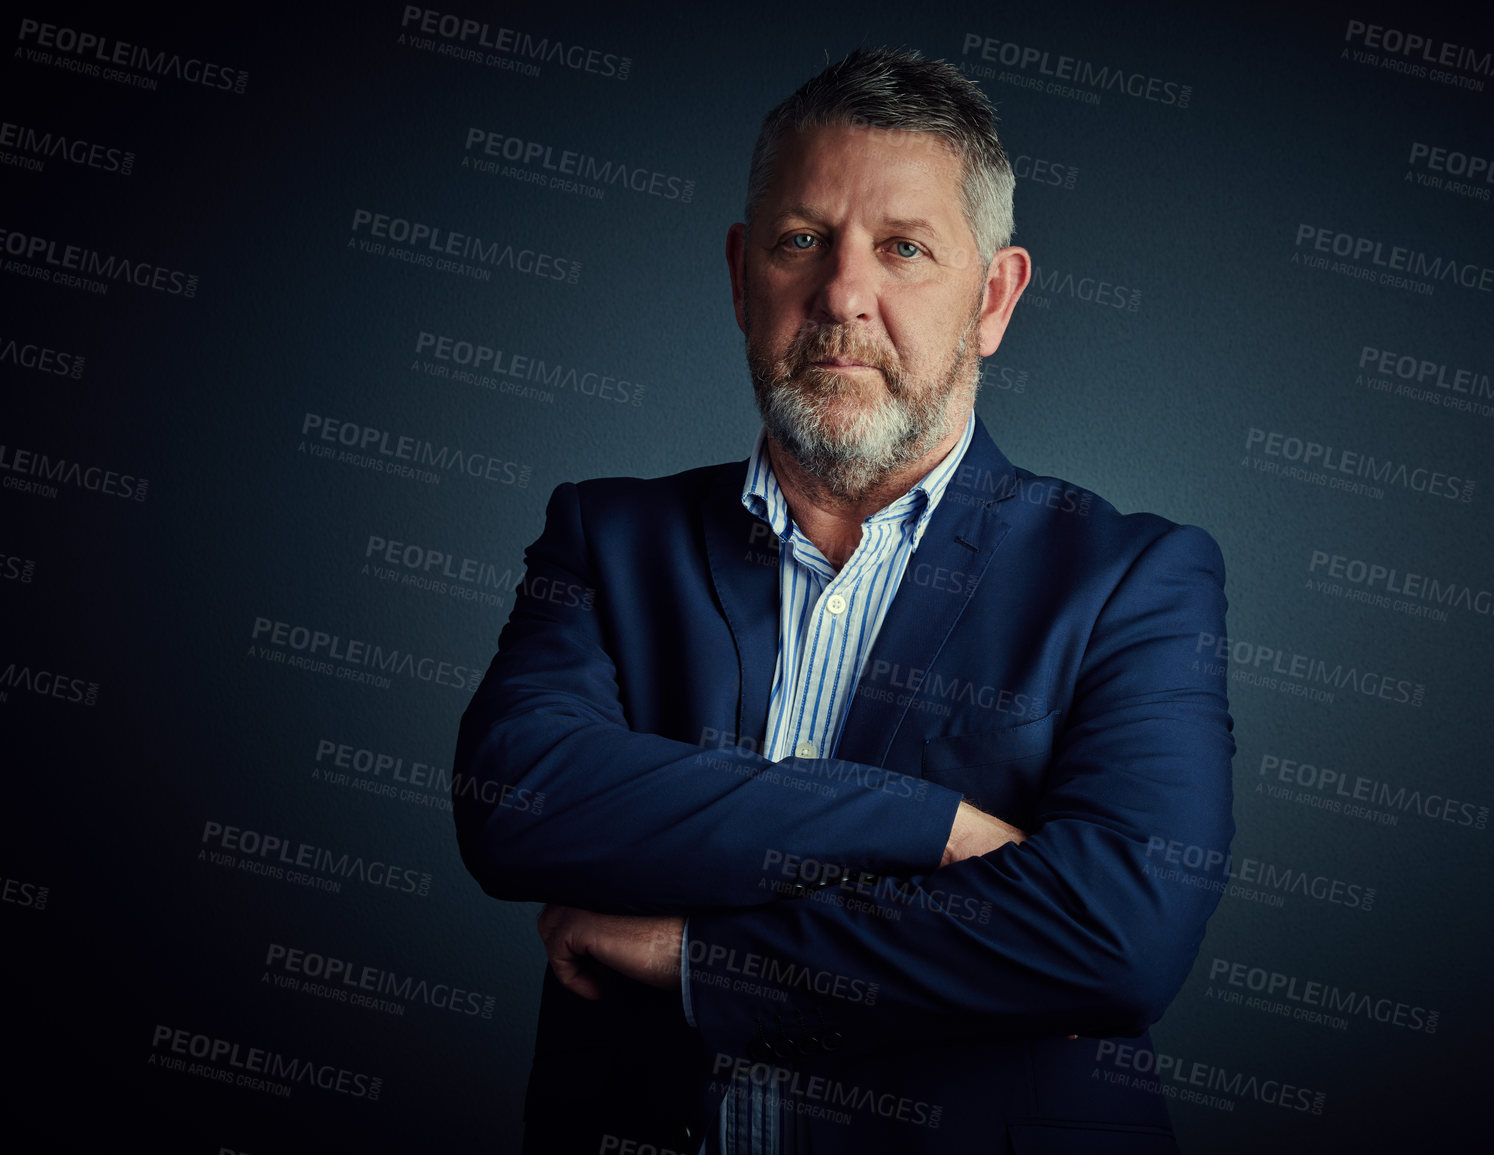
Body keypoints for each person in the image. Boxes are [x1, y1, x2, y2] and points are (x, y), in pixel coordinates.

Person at [453, 46, 1235, 1155]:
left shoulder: (1132, 580)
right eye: (801, 241)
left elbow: (1119, 939)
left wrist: (697, 959)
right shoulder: (609, 537)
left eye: (904, 248)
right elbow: (513, 795)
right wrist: (932, 826)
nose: (843, 294)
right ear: (740, 277)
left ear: (994, 299)